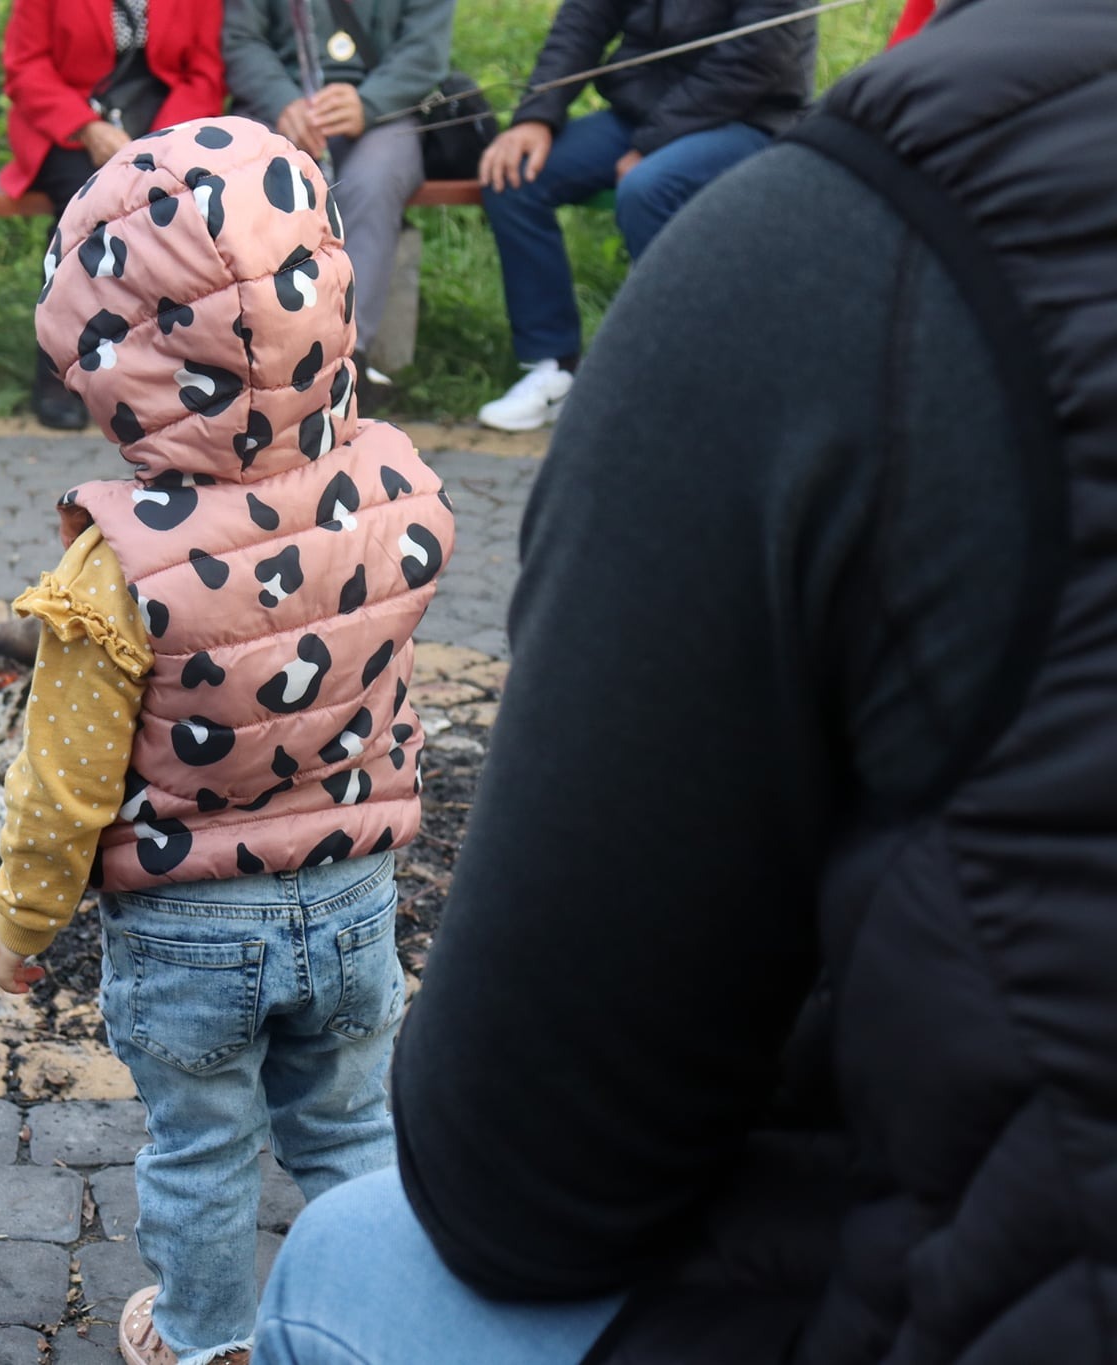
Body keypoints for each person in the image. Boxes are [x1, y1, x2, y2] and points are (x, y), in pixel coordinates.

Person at [254, 1, 1117, 1361]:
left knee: (342, 1263)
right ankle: (550, 353)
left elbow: (521, 1187)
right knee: (528, 167)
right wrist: (542, 109)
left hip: (1021, 1292)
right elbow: (582, 24)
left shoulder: (839, 246)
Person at [0, 117, 458, 1365]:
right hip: (353, 891)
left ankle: (203, 1342)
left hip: (191, 924)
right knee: (351, 1129)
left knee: (199, 1149)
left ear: (113, 351)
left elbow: (62, 788)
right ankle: (386, 1323)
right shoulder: (388, 486)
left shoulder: (116, 566)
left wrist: (21, 923)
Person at [473, 0, 814, 432]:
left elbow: (757, 57)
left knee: (648, 187)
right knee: (514, 177)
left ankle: (677, 378)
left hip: (750, 118)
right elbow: (583, 20)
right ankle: (554, 368)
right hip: (641, 115)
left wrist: (654, 141)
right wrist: (536, 115)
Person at [0, 0, 227, 430]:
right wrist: (88, 127)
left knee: (177, 211)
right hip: (70, 129)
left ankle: (161, 373)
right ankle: (59, 369)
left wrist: (158, 140)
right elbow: (25, 67)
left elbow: (206, 72)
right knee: (85, 214)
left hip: (165, 126)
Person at [222, 0, 455, 397]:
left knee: (374, 178)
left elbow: (424, 50)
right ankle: (252, 356)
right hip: (278, 108)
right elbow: (241, 39)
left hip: (384, 113)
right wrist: (282, 102)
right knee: (255, 172)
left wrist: (369, 103)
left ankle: (348, 357)